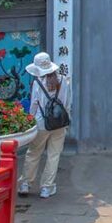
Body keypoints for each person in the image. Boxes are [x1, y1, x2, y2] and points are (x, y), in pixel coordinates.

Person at [19, 52, 72, 198]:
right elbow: (67, 104)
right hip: (59, 124)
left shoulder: (37, 83)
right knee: (53, 155)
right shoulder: (64, 81)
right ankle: (46, 188)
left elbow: (34, 106)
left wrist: (29, 121)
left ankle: (25, 183)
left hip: (41, 123)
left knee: (33, 152)